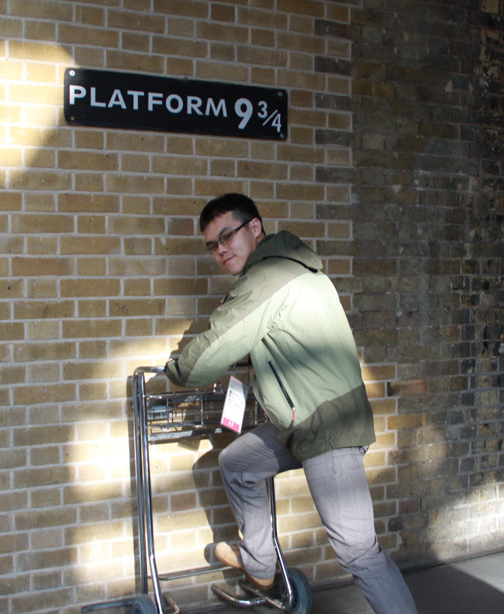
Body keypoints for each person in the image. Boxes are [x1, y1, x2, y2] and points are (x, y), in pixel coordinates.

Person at [165, 193, 417, 614]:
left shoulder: (268, 278)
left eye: (227, 236)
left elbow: (216, 343)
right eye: (212, 245)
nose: (221, 249)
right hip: (306, 422)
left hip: (328, 427)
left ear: (255, 228)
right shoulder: (293, 268)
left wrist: (175, 369)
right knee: (238, 464)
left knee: (359, 553)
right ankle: (261, 567)